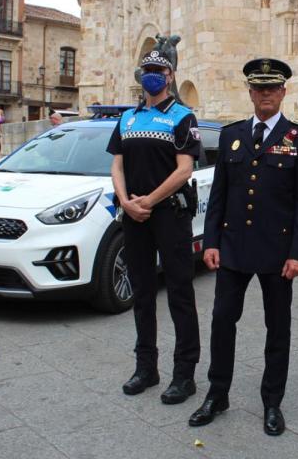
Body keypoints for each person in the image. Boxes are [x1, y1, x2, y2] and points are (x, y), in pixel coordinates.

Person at [189, 58, 298, 436]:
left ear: (283, 92)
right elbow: (218, 197)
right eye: (259, 89)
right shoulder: (232, 135)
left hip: (279, 254)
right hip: (232, 248)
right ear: (250, 92)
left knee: (277, 328)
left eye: (272, 88)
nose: (266, 94)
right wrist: (210, 242)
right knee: (221, 321)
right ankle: (217, 393)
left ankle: (272, 402)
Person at [107, 50, 202, 405]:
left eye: (158, 70)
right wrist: (128, 202)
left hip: (169, 215)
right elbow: (117, 166)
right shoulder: (129, 118)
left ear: (171, 75)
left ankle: (184, 374)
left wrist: (149, 201)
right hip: (134, 216)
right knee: (142, 293)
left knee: (180, 294)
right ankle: (146, 368)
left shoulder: (182, 116)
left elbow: (184, 170)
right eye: (147, 70)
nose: (152, 75)